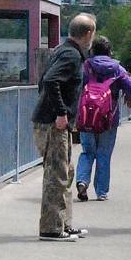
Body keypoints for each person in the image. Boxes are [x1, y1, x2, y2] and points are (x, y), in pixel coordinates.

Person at [31, 13, 96, 241]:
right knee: (57, 175)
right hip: (54, 123)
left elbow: (44, 80)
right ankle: (51, 229)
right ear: (88, 33)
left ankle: (63, 224)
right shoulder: (70, 54)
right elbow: (50, 81)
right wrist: (61, 112)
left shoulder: (61, 50)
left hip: (52, 121)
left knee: (65, 173)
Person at [75, 36, 131, 201]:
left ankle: (82, 181)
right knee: (104, 154)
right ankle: (101, 192)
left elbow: (74, 86)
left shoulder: (86, 66)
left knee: (87, 151)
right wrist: (129, 96)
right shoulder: (117, 68)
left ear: (92, 50)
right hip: (108, 118)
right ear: (110, 52)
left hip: (86, 116)